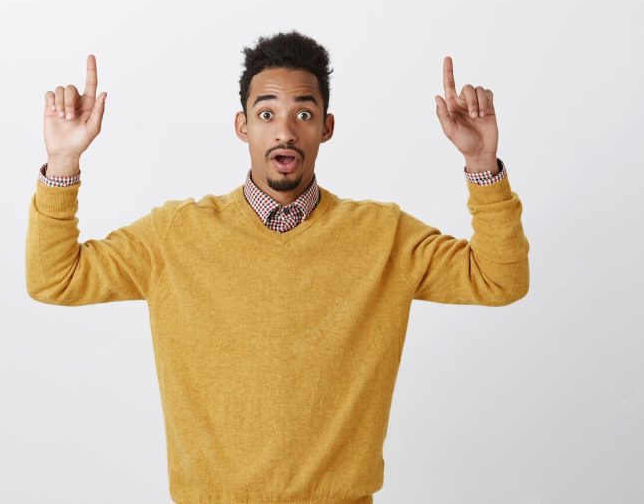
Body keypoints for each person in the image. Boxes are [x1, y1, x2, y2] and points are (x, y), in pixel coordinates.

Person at [26, 30, 529, 503]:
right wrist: (64, 162)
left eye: (304, 114)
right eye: (266, 114)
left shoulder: (383, 235)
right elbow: (55, 278)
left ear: (327, 127)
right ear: (242, 125)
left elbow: (498, 279)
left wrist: (482, 162)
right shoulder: (176, 233)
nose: (285, 131)